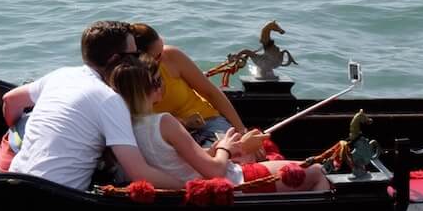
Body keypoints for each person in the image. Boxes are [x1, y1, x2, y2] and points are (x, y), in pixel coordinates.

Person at [0, 20, 189, 191]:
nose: (138, 59)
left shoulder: (61, 75)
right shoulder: (110, 100)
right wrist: (188, 187)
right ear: (115, 59)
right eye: (134, 54)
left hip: (15, 182)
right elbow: (138, 172)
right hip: (56, 197)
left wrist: (15, 126)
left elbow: (10, 100)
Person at [110, 58, 329, 192]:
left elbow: (167, 159)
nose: (163, 85)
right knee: (318, 171)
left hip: (204, 179)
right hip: (233, 183)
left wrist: (213, 150)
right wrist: (224, 147)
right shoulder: (165, 122)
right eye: (159, 81)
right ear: (149, 89)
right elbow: (214, 171)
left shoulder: (125, 126)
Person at [129, 23, 246, 145]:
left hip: (206, 121)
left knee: (239, 150)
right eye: (157, 56)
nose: (163, 56)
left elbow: (211, 93)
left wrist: (242, 131)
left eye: (162, 47)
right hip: (167, 135)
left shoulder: (171, 56)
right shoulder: (126, 84)